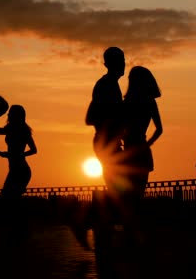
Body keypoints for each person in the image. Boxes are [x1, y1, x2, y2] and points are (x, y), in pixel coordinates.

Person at [71, 46, 126, 252]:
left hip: (109, 142)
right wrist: (114, 119)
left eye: (123, 60)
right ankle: (84, 221)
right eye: (120, 60)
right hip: (106, 142)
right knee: (118, 186)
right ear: (109, 64)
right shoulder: (105, 85)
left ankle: (95, 223)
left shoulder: (111, 85)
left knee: (117, 186)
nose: (124, 64)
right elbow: (90, 117)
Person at [120, 65, 163, 245]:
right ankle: (138, 232)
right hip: (142, 149)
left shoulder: (127, 102)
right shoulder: (150, 102)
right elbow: (159, 129)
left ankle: (129, 231)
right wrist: (147, 143)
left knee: (127, 194)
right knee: (139, 193)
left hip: (128, 150)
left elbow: (118, 127)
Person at [0, 104, 38, 200]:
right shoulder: (11, 128)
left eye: (10, 113)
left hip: (20, 170)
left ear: (16, 115)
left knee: (8, 198)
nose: (8, 115)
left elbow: (34, 150)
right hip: (15, 169)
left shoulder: (22, 130)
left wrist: (18, 155)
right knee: (9, 198)